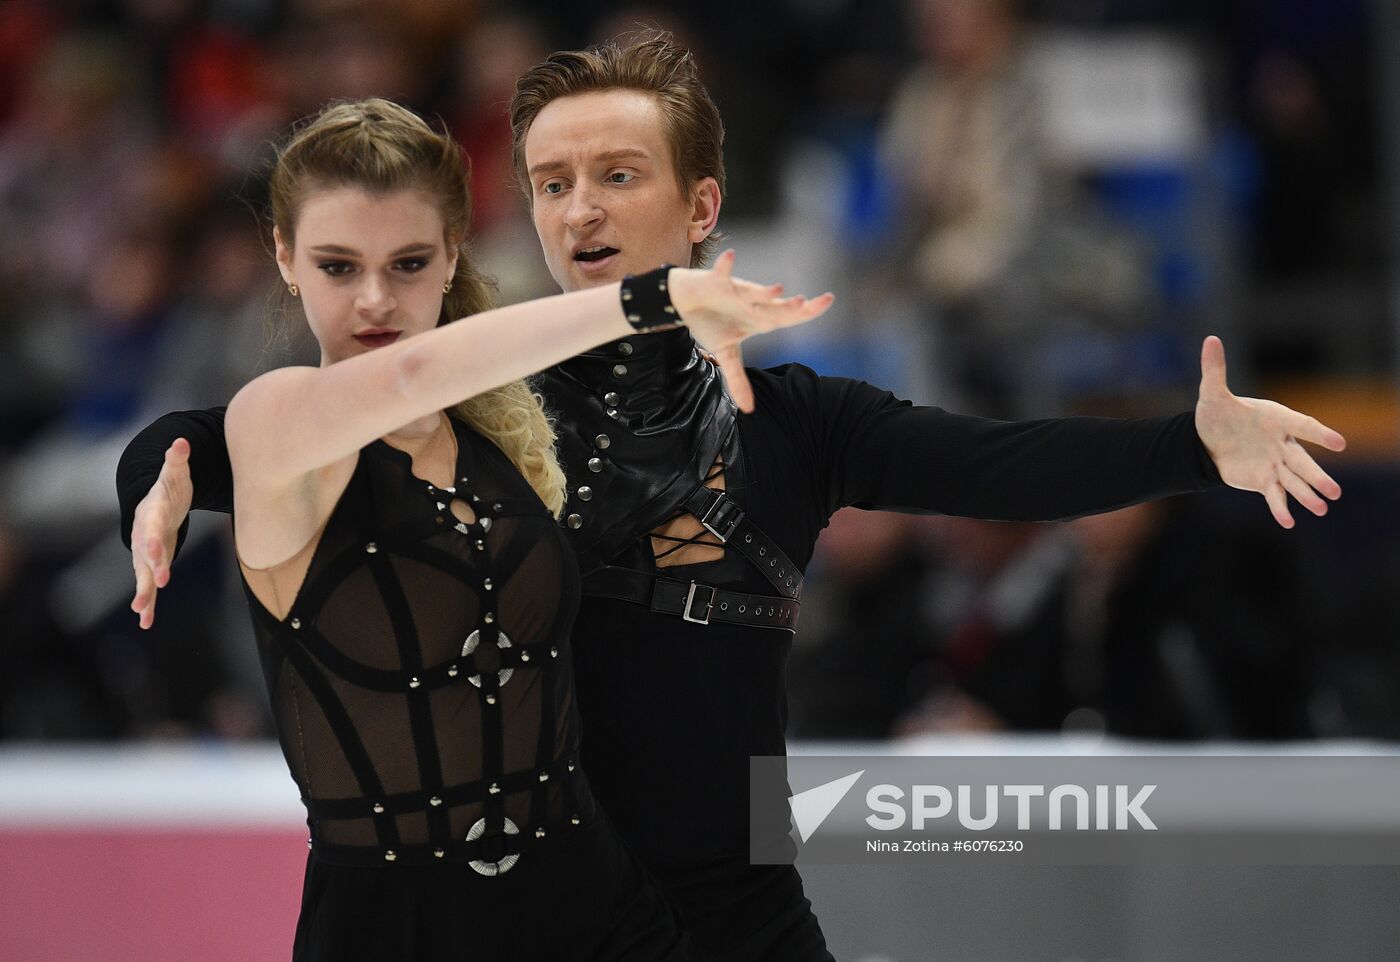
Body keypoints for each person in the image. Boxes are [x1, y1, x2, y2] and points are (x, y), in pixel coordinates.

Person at [119, 33, 1346, 962]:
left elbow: (992, 460)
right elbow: (252, 431)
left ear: (703, 206)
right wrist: (153, 476)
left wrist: (1188, 448)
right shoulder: (485, 396)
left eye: (615, 173)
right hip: (544, 897)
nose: (579, 208)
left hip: (738, 895)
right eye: (549, 183)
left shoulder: (799, 421)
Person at [126, 96, 831, 960]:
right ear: (284, 257)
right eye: (338, 266)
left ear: (452, 253)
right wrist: (662, 295)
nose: (376, 300)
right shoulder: (274, 421)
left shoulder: (504, 433)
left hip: (597, 906)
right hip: (396, 929)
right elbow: (407, 373)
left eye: (411, 263)